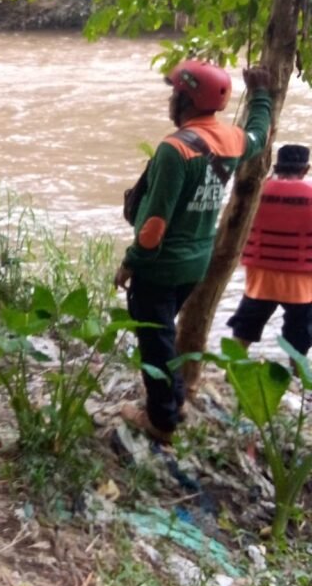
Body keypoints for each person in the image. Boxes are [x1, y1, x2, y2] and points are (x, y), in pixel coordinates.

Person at [114, 61, 273, 445]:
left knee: (155, 344)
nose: (171, 98)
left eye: (175, 92)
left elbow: (153, 228)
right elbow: (258, 135)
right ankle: (176, 401)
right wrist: (262, 95)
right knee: (165, 336)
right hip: (196, 264)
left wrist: (129, 263)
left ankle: (161, 421)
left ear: (185, 99)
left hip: (161, 266)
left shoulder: (175, 149)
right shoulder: (231, 140)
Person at [227, 143, 312, 360]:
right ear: (306, 169)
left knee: (245, 326)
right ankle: (299, 378)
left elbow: (234, 225)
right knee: (300, 333)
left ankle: (233, 368)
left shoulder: (257, 192)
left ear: (277, 166)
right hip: (301, 281)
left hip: (260, 277)